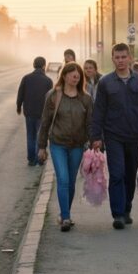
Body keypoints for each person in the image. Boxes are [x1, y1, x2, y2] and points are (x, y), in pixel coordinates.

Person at [90, 43, 138, 229]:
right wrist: (96, 136)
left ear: (130, 58)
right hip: (113, 136)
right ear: (112, 59)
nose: (120, 60)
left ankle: (127, 208)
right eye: (117, 57)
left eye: (123, 57)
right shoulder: (105, 83)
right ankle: (118, 214)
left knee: (129, 174)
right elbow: (99, 111)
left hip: (135, 135)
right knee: (117, 173)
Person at [37, 62, 93, 232]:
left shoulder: (86, 98)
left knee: (70, 181)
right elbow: (45, 122)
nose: (75, 77)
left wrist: (95, 142)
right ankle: (66, 217)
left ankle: (64, 213)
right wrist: (41, 147)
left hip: (77, 145)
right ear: (64, 76)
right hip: (58, 144)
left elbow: (90, 123)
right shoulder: (54, 95)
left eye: (78, 76)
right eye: (72, 74)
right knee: (63, 179)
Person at [16, 57, 53, 166]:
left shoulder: (26, 78)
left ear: (33, 65)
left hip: (29, 112)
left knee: (30, 135)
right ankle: (39, 158)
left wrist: (19, 106)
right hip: (42, 113)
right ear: (44, 66)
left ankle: (31, 158)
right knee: (40, 135)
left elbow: (20, 93)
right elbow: (50, 98)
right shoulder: (48, 81)